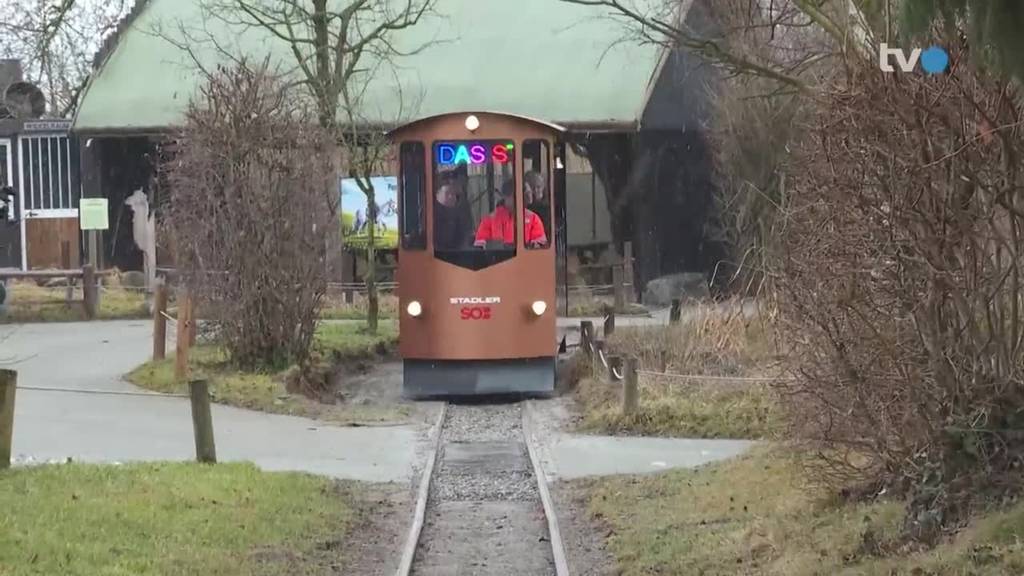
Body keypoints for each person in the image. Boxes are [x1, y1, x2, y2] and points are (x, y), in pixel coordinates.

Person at [474, 179, 547, 248]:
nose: (520, 199)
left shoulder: (533, 219)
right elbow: (480, 246)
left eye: (523, 195)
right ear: (505, 196)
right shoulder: (489, 220)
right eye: (514, 195)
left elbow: (541, 245)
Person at [433, 171, 472, 250]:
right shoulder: (430, 214)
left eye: (454, 194)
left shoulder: (461, 212)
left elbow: (466, 236)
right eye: (447, 193)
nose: (451, 197)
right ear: (437, 193)